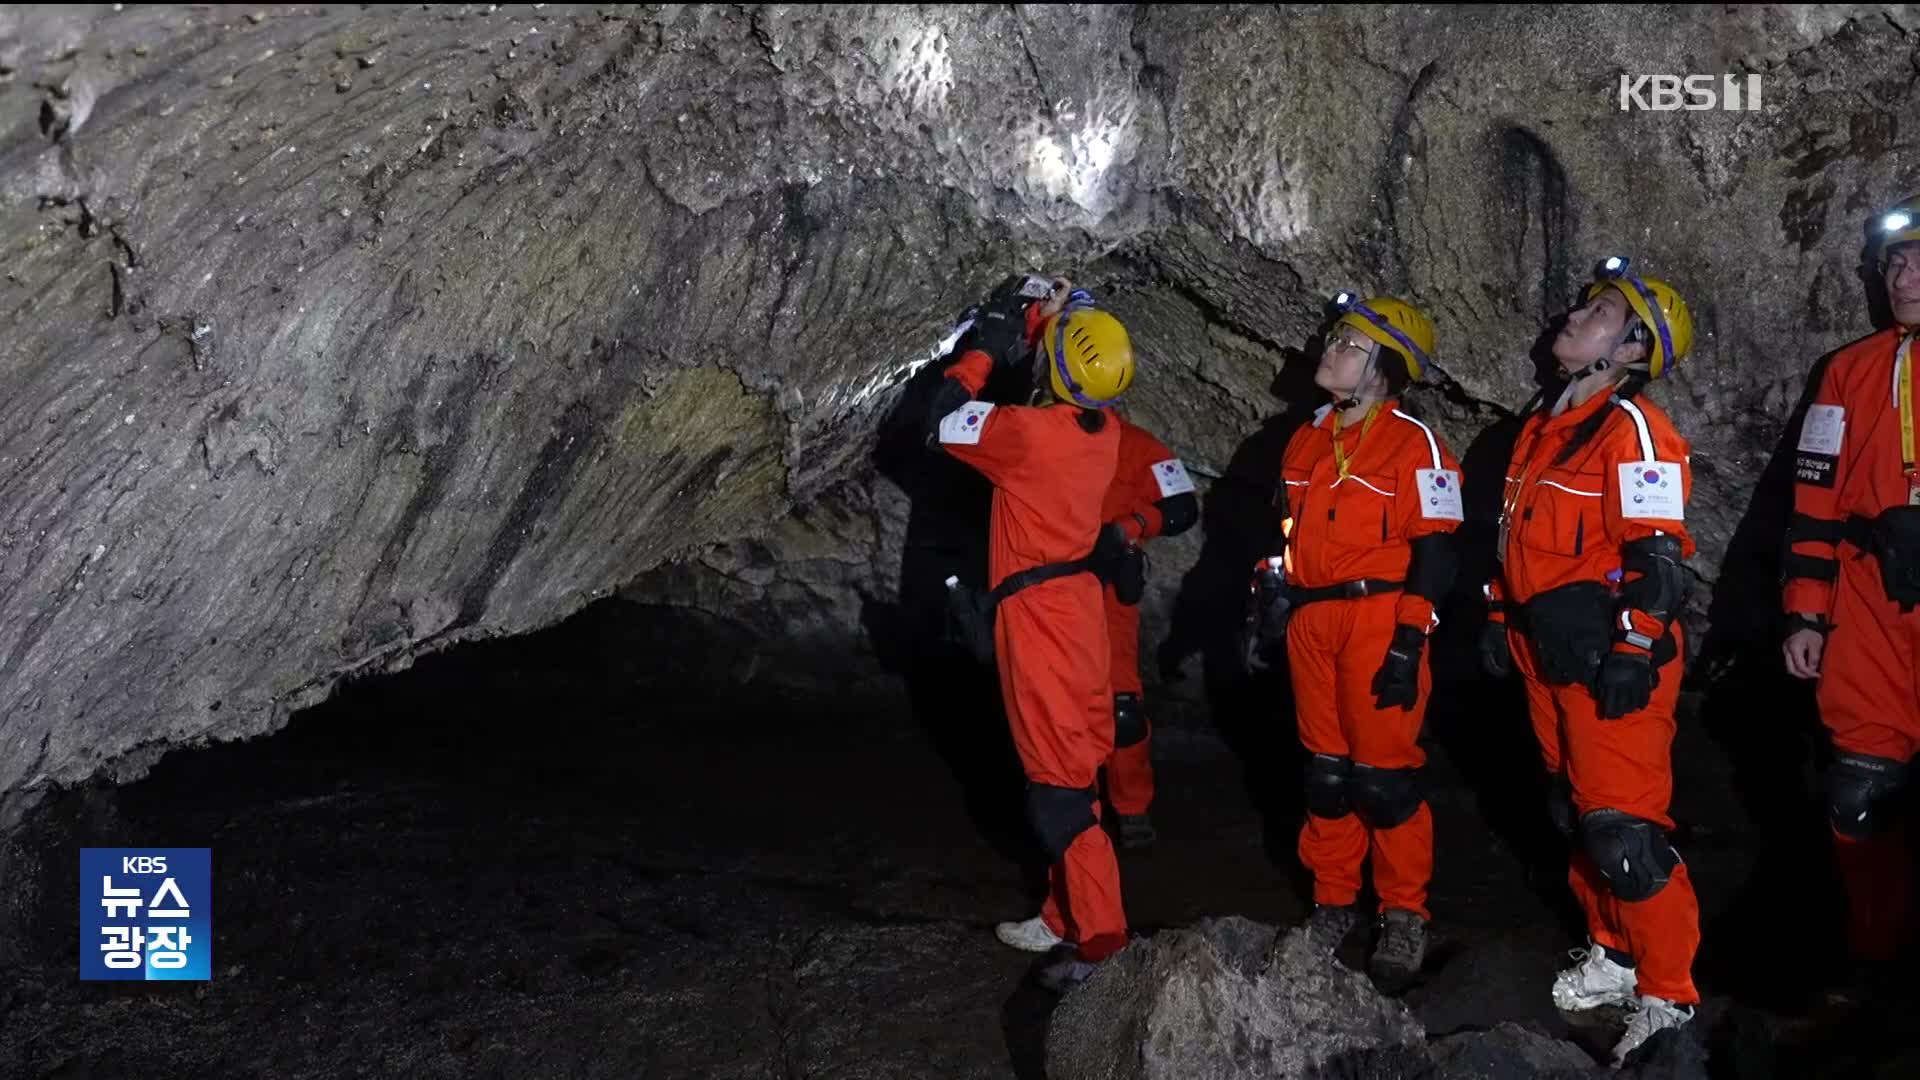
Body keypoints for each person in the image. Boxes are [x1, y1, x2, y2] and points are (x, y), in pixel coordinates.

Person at [1478, 257, 1700, 1064]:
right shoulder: (1544, 426)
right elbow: (1517, 539)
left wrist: (1638, 643)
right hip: (1552, 652)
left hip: (1611, 654)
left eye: (1601, 311)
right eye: (1583, 303)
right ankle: (1612, 954)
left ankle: (1670, 996)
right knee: (1576, 812)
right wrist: (1501, 615)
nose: (1576, 315)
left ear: (1633, 350)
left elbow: (1659, 552)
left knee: (1625, 833)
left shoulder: (1632, 427)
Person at [1245, 294, 1462, 992]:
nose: (1331, 349)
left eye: (1349, 344)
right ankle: (1334, 901)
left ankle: (1403, 913)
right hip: (1314, 620)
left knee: (1385, 780)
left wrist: (1410, 637)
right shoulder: (1306, 441)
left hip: (1379, 618)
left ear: (1383, 370)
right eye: (1336, 338)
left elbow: (1437, 548)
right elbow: (1285, 534)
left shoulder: (1414, 442)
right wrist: (1270, 601)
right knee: (1327, 774)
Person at [927, 274, 1137, 990]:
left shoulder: (1028, 436)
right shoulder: (1102, 430)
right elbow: (1061, 389)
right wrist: (1055, 323)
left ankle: (1104, 944)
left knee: (1057, 792)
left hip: (1039, 622)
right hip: (1077, 610)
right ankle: (1064, 913)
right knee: (1079, 776)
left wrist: (989, 347)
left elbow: (946, 417)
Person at [993, 412, 1199, 953]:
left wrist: (1128, 530)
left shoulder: (1135, 443)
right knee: (1065, 767)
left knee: (1118, 716)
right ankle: (1064, 912)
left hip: (1105, 593)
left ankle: (1130, 810)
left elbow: (1182, 505)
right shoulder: (1040, 434)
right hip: (1056, 596)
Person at [1781, 195, 1920, 974]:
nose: (1904, 275)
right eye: (1894, 262)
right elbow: (1815, 496)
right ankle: (1876, 959)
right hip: (1866, 596)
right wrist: (1805, 611)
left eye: (1919, 261)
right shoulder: (1848, 370)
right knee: (1860, 793)